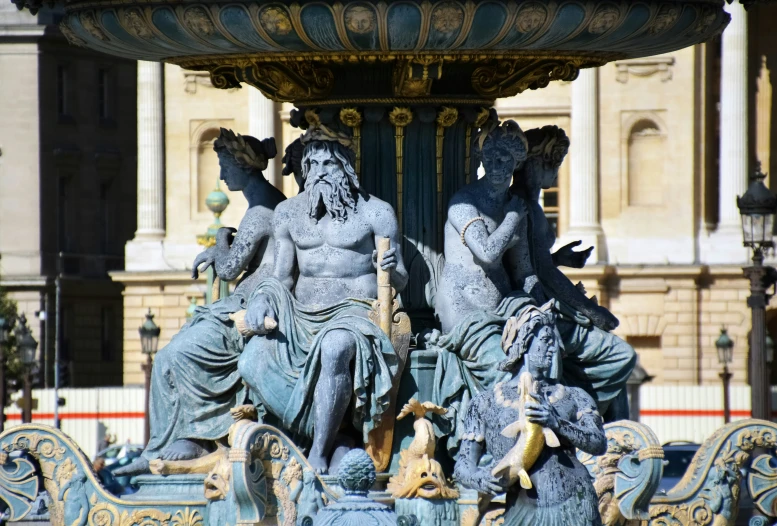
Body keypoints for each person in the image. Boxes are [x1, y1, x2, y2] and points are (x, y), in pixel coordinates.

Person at [238, 116, 408, 474]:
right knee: (251, 358)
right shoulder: (288, 214)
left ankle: (318, 452)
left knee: (334, 347)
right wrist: (262, 298)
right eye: (311, 163)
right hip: (301, 317)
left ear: (346, 165)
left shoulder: (376, 212)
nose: (319, 171)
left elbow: (402, 279)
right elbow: (280, 276)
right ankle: (331, 435)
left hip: (356, 314)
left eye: (328, 162)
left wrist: (389, 266)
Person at [117, 129, 285, 476]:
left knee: (169, 356)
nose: (222, 176)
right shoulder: (269, 200)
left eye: (225, 166)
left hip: (251, 305)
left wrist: (221, 238)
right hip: (251, 299)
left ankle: (176, 444)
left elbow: (226, 268)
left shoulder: (259, 212)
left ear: (243, 165)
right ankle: (173, 443)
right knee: (173, 354)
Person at [454, 303, 607, 526]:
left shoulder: (573, 395)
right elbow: (463, 464)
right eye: (546, 340)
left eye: (554, 341)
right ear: (524, 343)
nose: (553, 348)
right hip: (521, 508)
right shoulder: (485, 403)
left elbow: (598, 443)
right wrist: (479, 478)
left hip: (574, 504)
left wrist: (557, 423)